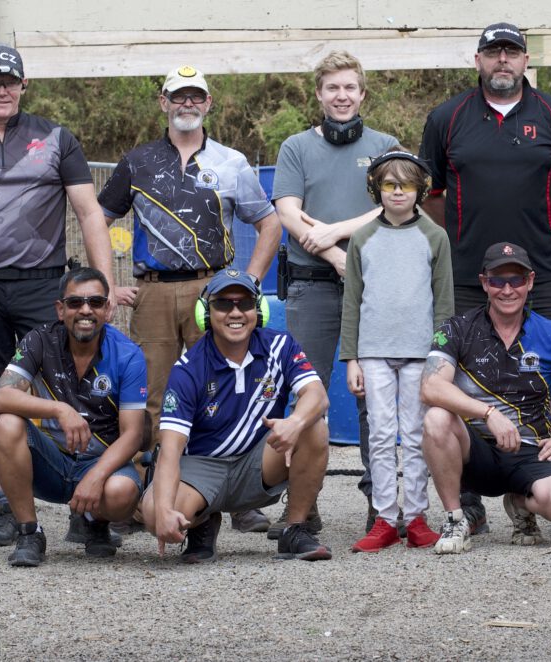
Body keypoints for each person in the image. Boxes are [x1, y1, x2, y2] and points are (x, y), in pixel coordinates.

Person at [0, 44, 116, 548]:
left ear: (24, 85)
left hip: (43, 283)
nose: (2, 89)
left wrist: (103, 282)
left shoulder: (55, 137)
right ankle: (2, 508)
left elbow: (90, 212)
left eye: (10, 80)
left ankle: (86, 506)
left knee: (68, 391)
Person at [419, 21, 551, 535]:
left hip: (544, 269)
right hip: (469, 272)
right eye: (492, 52)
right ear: (477, 61)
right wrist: (468, 235)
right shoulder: (446, 118)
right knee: (468, 372)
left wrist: (533, 229)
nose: (502, 61)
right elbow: (430, 195)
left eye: (511, 52)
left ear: (525, 60)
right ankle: (469, 495)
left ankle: (548, 474)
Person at [99, 64, 281, 534]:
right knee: (149, 398)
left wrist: (252, 281)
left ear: (208, 103)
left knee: (227, 389)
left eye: (195, 96)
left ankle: (238, 500)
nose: (187, 104)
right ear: (163, 102)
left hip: (215, 290)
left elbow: (270, 224)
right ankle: (148, 498)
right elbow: (94, 217)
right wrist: (105, 282)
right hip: (153, 291)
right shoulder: (136, 161)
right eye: (178, 96)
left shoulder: (232, 162)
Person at [272, 50, 398, 537]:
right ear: (319, 94)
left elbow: (393, 204)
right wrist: (335, 255)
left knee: (376, 399)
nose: (342, 96)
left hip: (374, 291)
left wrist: (336, 232)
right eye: (332, 88)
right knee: (307, 394)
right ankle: (302, 504)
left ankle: (380, 504)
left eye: (350, 87)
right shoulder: (296, 148)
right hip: (312, 289)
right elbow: (287, 211)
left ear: (362, 93)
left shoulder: (386, 144)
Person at [142, 270, 333, 562]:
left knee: (313, 426)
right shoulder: (187, 368)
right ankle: (202, 523)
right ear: (206, 313)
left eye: (244, 303)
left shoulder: (281, 346)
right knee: (155, 511)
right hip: (202, 468)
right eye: (223, 304)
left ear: (257, 310)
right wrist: (165, 512)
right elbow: (169, 450)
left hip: (259, 463)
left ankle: (294, 529)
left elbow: (317, 395)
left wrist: (294, 423)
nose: (235, 312)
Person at [421, 242, 551, 554]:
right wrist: (488, 414)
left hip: (531, 449)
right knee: (436, 417)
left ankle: (521, 502)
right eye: (497, 281)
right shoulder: (457, 328)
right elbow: (430, 387)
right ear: (484, 283)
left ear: (531, 282)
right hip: (476, 450)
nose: (507, 290)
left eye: (517, 280)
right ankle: (455, 519)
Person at [0, 268, 146, 566]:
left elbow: (133, 435)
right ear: (61, 310)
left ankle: (93, 521)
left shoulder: (128, 354)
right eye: (75, 303)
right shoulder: (39, 340)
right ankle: (29, 532)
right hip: (51, 462)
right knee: (6, 423)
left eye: (96, 302)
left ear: (107, 309)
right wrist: (60, 409)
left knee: (122, 492)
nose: (85, 310)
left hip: (101, 464)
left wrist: (96, 477)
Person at [339, 150, 453, 552]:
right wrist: (351, 357)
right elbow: (352, 300)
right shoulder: (363, 238)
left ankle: (417, 517)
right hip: (373, 351)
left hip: (421, 353)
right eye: (390, 184)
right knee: (381, 434)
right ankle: (386, 518)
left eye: (406, 184)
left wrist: (441, 355)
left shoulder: (434, 236)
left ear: (420, 189)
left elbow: (444, 303)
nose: (398, 192)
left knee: (418, 433)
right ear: (377, 189)